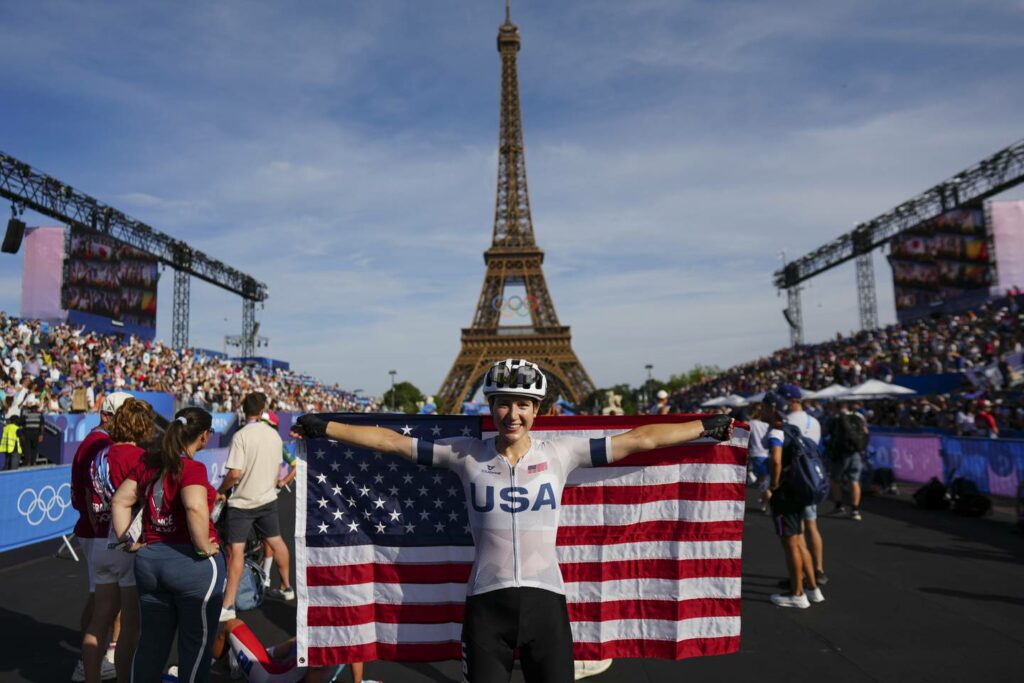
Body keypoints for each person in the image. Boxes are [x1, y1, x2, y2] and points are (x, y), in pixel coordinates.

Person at [292, 358, 733, 683]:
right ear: (492, 406)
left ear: (537, 409)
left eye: (523, 404)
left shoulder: (562, 453)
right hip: (486, 608)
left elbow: (639, 441)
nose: (513, 414)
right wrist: (324, 426)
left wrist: (703, 426)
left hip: (548, 606)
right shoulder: (465, 454)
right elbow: (391, 442)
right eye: (503, 404)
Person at [110, 407, 224, 682]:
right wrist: (203, 546)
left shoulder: (149, 463)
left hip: (150, 561)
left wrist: (128, 539)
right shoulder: (192, 467)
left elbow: (120, 500)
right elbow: (195, 507)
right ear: (204, 436)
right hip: (191, 564)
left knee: (151, 643)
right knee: (196, 644)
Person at [82, 398, 155, 683]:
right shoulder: (140, 459)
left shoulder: (99, 455)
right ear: (143, 427)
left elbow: (89, 499)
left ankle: (91, 678)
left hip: (100, 542)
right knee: (130, 627)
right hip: (127, 543)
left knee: (99, 621)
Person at [69, 391, 132, 682]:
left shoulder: (100, 442)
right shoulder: (100, 444)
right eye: (123, 414)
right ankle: (89, 663)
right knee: (104, 603)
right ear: (106, 416)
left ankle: (98, 657)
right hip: (100, 532)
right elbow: (89, 494)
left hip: (99, 530)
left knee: (106, 601)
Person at [217, 393, 294, 621]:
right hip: (267, 498)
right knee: (277, 541)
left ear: (244, 411)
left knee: (236, 552)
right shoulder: (274, 436)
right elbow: (277, 466)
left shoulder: (241, 436)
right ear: (263, 411)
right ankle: (287, 587)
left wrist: (221, 490)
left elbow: (234, 474)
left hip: (242, 503)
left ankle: (229, 604)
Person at [762, 390, 825, 609]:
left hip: (786, 494)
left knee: (790, 543)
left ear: (771, 408)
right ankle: (812, 588)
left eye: (763, 406)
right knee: (799, 540)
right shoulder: (794, 429)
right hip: (799, 491)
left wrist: (773, 485)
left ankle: (797, 593)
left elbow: (776, 460)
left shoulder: (776, 431)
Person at [775, 383, 827, 586]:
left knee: (797, 533)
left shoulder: (786, 421)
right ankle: (819, 569)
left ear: (789, 400)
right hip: (812, 476)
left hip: (794, 479)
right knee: (812, 525)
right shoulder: (814, 421)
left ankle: (802, 575)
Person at [209, 618, 362, 682]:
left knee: (231, 625)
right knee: (297, 642)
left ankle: (207, 669)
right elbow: (357, 654)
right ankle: (264, 655)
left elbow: (315, 674)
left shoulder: (324, 644)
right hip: (288, 668)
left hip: (272, 678)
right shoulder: (353, 638)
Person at [826, 401, 868, 521]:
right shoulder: (858, 416)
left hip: (841, 454)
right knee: (854, 480)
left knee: (835, 479)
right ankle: (855, 509)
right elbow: (865, 432)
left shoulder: (836, 418)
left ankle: (839, 506)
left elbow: (828, 434)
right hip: (856, 452)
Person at [18, 395, 44, 467]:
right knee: (34, 448)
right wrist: (41, 435)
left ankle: (28, 462)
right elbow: (42, 426)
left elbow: (21, 423)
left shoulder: (26, 415)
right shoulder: (39, 415)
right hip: (36, 433)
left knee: (27, 448)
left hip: (28, 433)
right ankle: (33, 462)